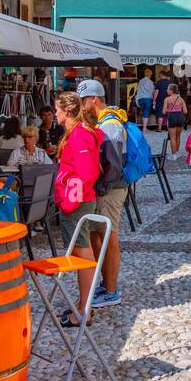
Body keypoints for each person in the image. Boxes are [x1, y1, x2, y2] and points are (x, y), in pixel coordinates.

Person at [51, 91, 104, 328]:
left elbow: (86, 172)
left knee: (82, 255)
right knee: (83, 254)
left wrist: (69, 202)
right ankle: (84, 304)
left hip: (77, 202)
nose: (55, 113)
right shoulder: (78, 133)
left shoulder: (79, 135)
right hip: (78, 200)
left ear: (67, 111)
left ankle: (84, 310)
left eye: (57, 109)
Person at [78, 78, 126, 310]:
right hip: (107, 188)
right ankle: (106, 284)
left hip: (111, 189)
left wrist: (102, 187)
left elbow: (113, 164)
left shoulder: (110, 125)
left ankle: (111, 290)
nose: (81, 104)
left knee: (110, 238)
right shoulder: (104, 122)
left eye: (83, 100)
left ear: (94, 99)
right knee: (101, 236)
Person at [163, 83, 187, 155]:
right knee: (178, 136)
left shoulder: (167, 99)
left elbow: (164, 112)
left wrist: (169, 110)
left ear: (172, 90)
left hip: (172, 117)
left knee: (172, 137)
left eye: (168, 89)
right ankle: (177, 152)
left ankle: (174, 155)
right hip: (180, 117)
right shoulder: (181, 99)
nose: (166, 90)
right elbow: (185, 111)